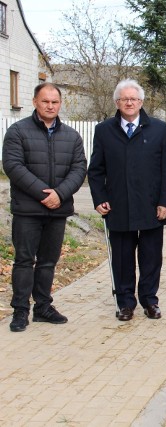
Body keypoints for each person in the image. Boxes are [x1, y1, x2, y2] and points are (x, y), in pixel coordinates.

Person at [87, 79, 166, 321]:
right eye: (124, 99)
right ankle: (125, 303)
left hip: (151, 206)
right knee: (123, 259)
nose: (129, 102)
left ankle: (150, 300)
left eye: (133, 99)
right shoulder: (104, 130)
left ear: (141, 102)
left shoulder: (159, 129)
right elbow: (95, 170)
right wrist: (99, 199)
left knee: (151, 258)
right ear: (117, 102)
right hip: (118, 207)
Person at [2, 83, 87, 332]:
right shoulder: (18, 131)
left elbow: (79, 168)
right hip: (28, 210)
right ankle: (20, 311)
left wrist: (59, 194)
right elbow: (13, 166)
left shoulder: (71, 136)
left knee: (48, 262)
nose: (50, 106)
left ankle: (43, 307)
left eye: (55, 102)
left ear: (60, 104)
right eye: (45, 101)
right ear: (35, 102)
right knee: (24, 261)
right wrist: (44, 194)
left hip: (57, 210)